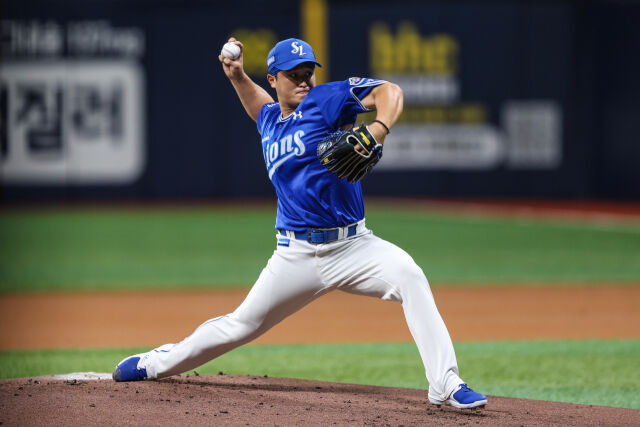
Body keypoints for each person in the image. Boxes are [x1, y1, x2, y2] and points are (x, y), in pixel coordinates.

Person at [112, 37, 487, 410]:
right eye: (293, 74)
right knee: (240, 325)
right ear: (273, 79)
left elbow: (391, 91)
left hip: (354, 246)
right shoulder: (270, 122)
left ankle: (445, 383)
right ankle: (155, 363)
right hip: (295, 255)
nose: (304, 80)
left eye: (308, 72)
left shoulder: (326, 100)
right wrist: (237, 75)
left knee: (410, 276)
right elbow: (258, 104)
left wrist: (379, 128)